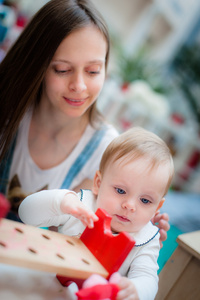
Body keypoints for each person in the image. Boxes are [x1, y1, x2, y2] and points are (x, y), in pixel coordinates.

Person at [0, 0, 169, 246]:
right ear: (38, 65)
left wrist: (134, 232)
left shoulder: (107, 150)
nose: (79, 86)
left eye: (92, 71)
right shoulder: (8, 109)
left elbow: (76, 238)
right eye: (62, 69)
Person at [19, 126, 174, 300]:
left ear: (157, 207)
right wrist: (61, 201)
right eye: (120, 191)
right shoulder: (81, 207)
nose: (130, 205)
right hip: (40, 288)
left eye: (145, 201)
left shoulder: (146, 238)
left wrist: (135, 290)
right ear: (98, 184)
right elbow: (26, 213)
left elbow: (148, 278)